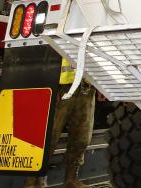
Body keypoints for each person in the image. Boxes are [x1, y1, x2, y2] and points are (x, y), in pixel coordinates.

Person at [25, 58, 95, 188]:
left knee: (82, 138)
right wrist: (49, 83)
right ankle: (34, 182)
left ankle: (71, 180)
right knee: (47, 138)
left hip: (87, 88)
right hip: (60, 87)